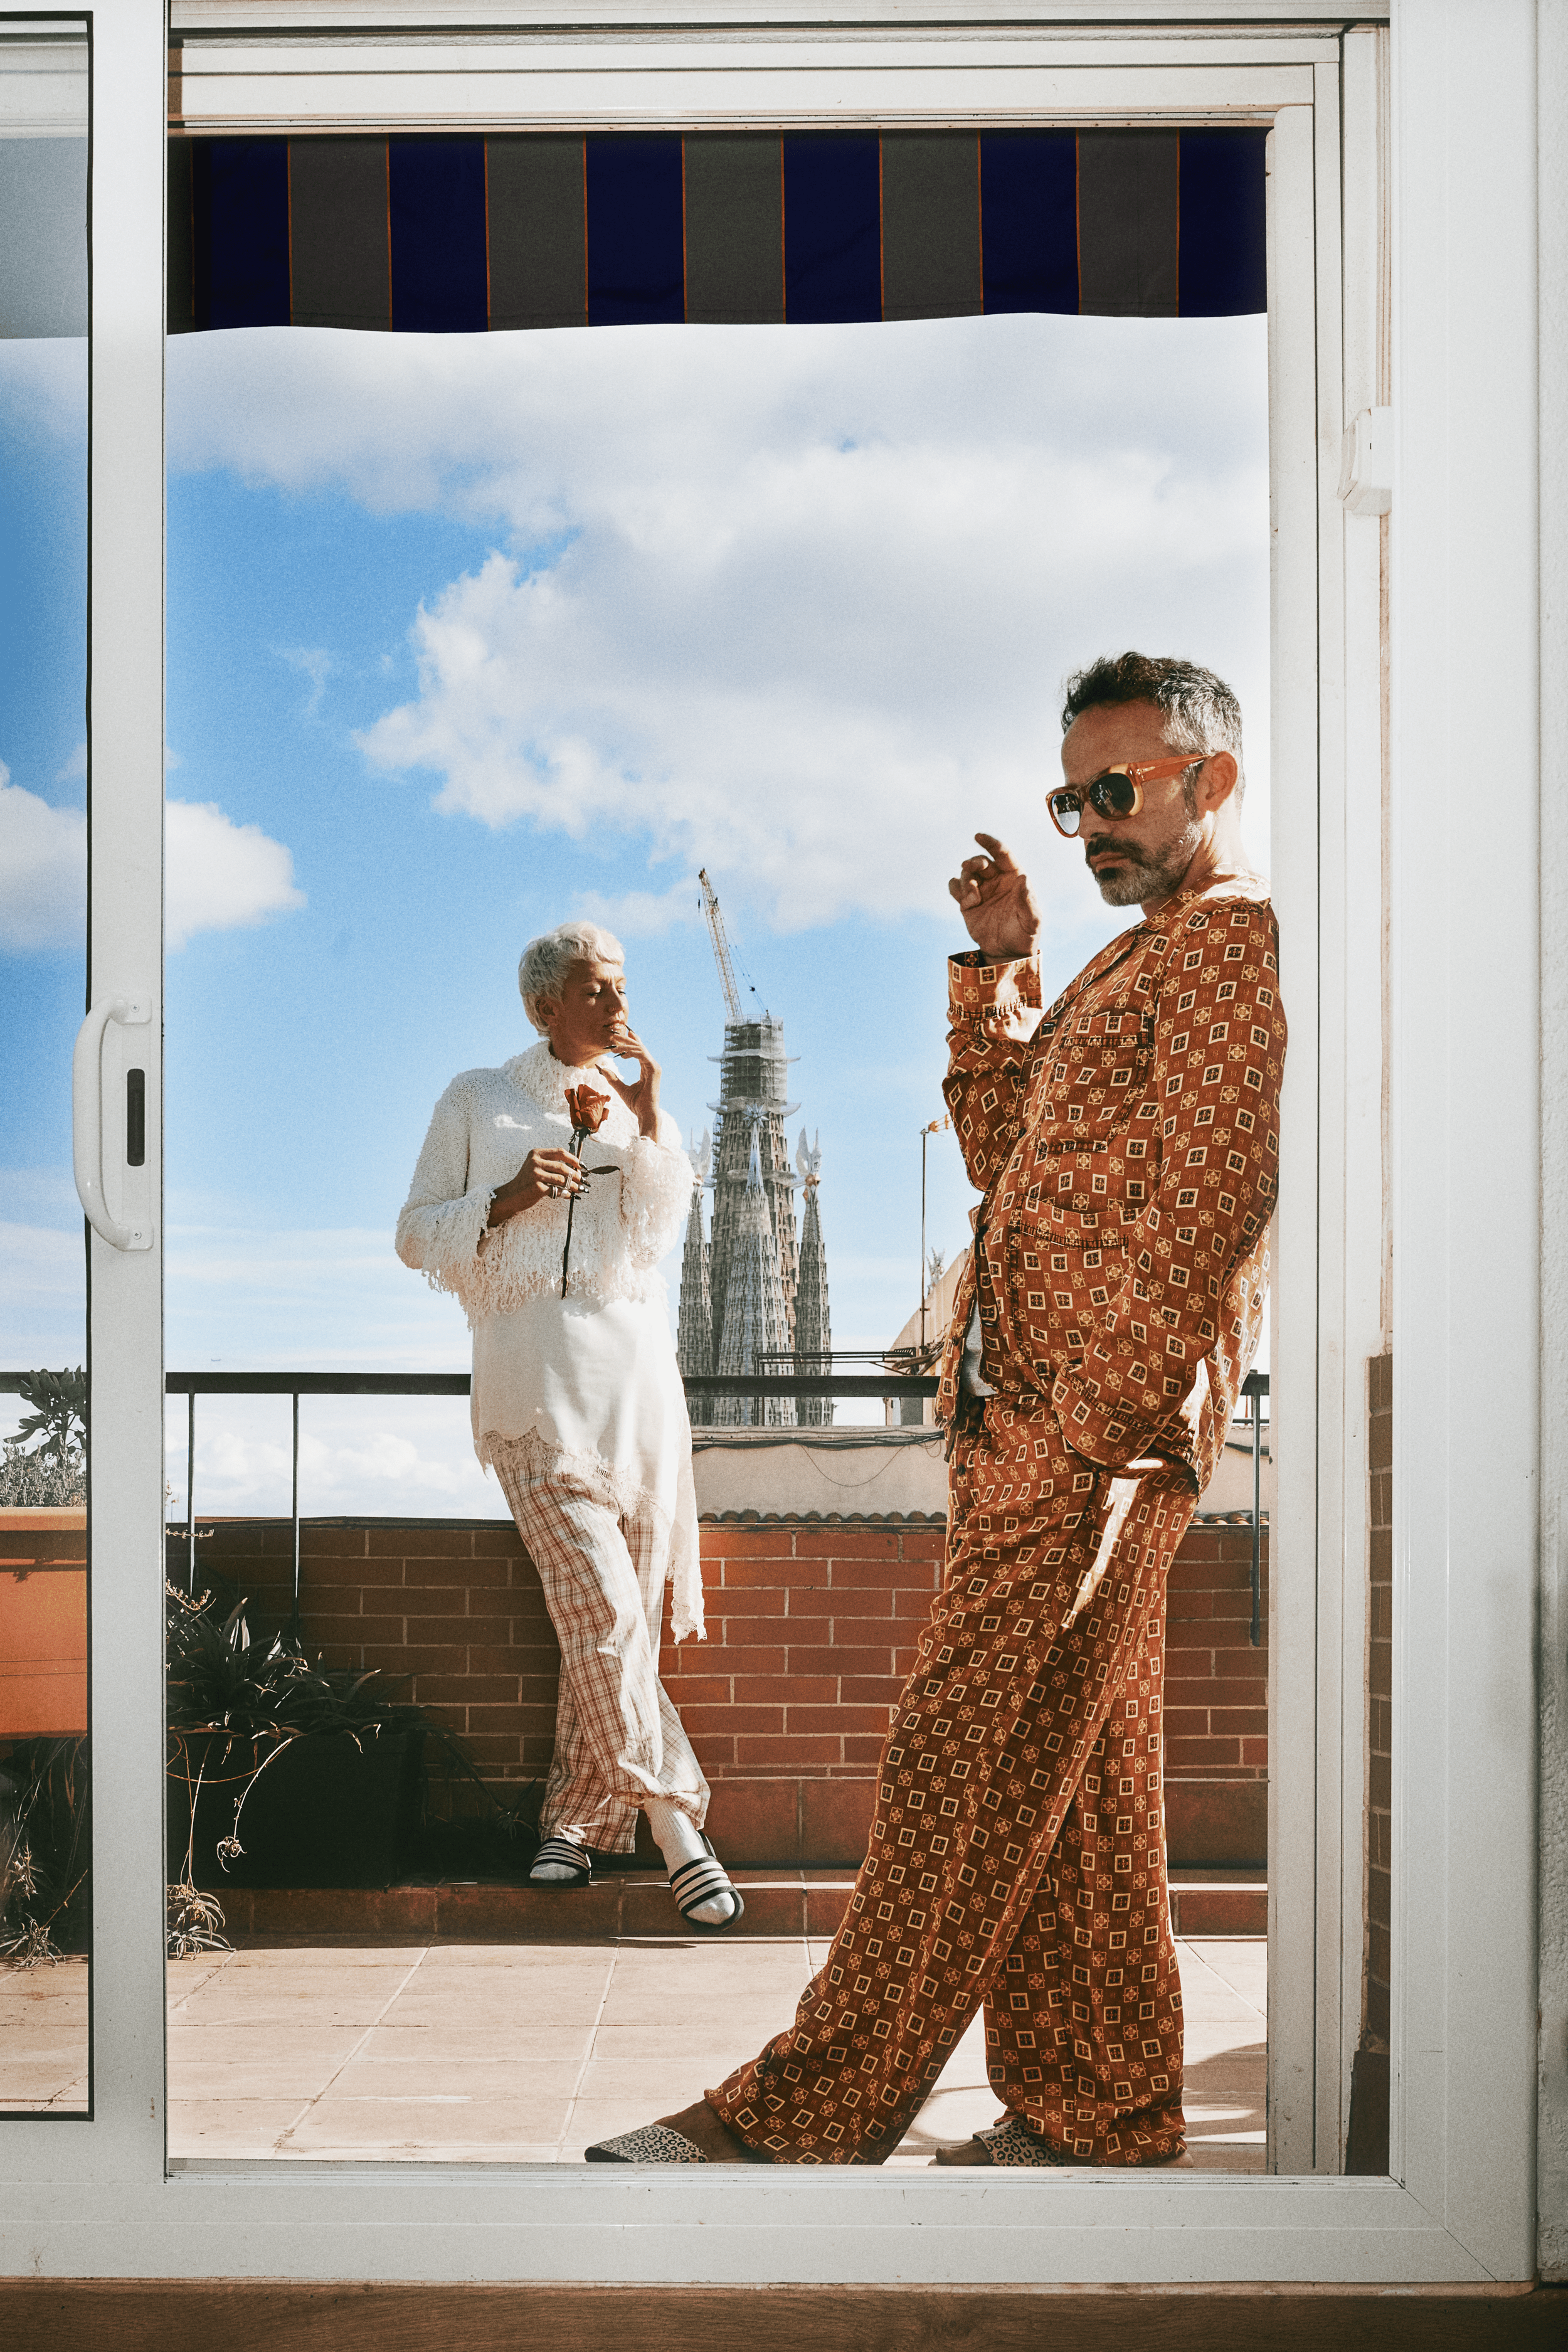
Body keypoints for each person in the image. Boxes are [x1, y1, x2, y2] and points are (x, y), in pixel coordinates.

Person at [587, 650, 1285, 2164]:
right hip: (1034, 1434)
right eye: (1069, 797)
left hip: (1088, 1440)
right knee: (1081, 1797)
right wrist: (996, 966)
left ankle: (801, 2116)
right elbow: (1002, 1152)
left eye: (1117, 789)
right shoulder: (1128, 955)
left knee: (951, 1771)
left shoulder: (1227, 942)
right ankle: (1095, 2113)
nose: (1088, 820)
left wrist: (1093, 1417)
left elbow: (1216, 1191)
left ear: (1207, 779)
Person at [395, 921, 742, 1929]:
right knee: (605, 1613)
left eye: (622, 984)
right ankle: (681, 1828)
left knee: (609, 1622)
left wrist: (653, 1114)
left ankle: (577, 1821)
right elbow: (414, 1230)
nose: (616, 1001)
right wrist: (503, 1199)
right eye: (596, 987)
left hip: (635, 1398)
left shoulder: (639, 1110)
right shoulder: (479, 1098)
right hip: (532, 1399)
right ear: (545, 1002)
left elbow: (656, 1235)